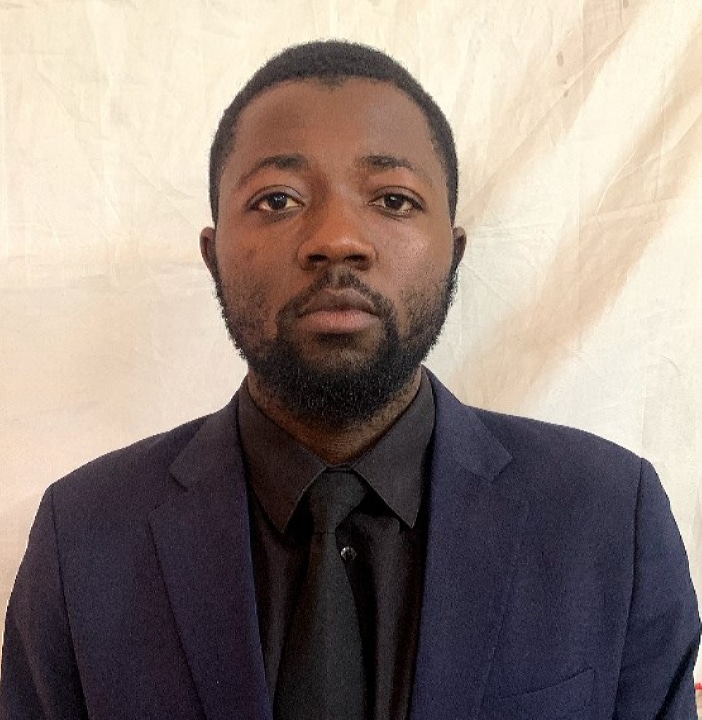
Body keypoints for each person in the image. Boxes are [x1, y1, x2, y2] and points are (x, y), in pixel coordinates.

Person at [0, 40, 699, 720]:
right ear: (214, 256)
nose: (337, 239)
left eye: (393, 199)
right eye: (278, 199)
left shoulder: (610, 521)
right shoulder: (84, 536)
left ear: (453, 254)